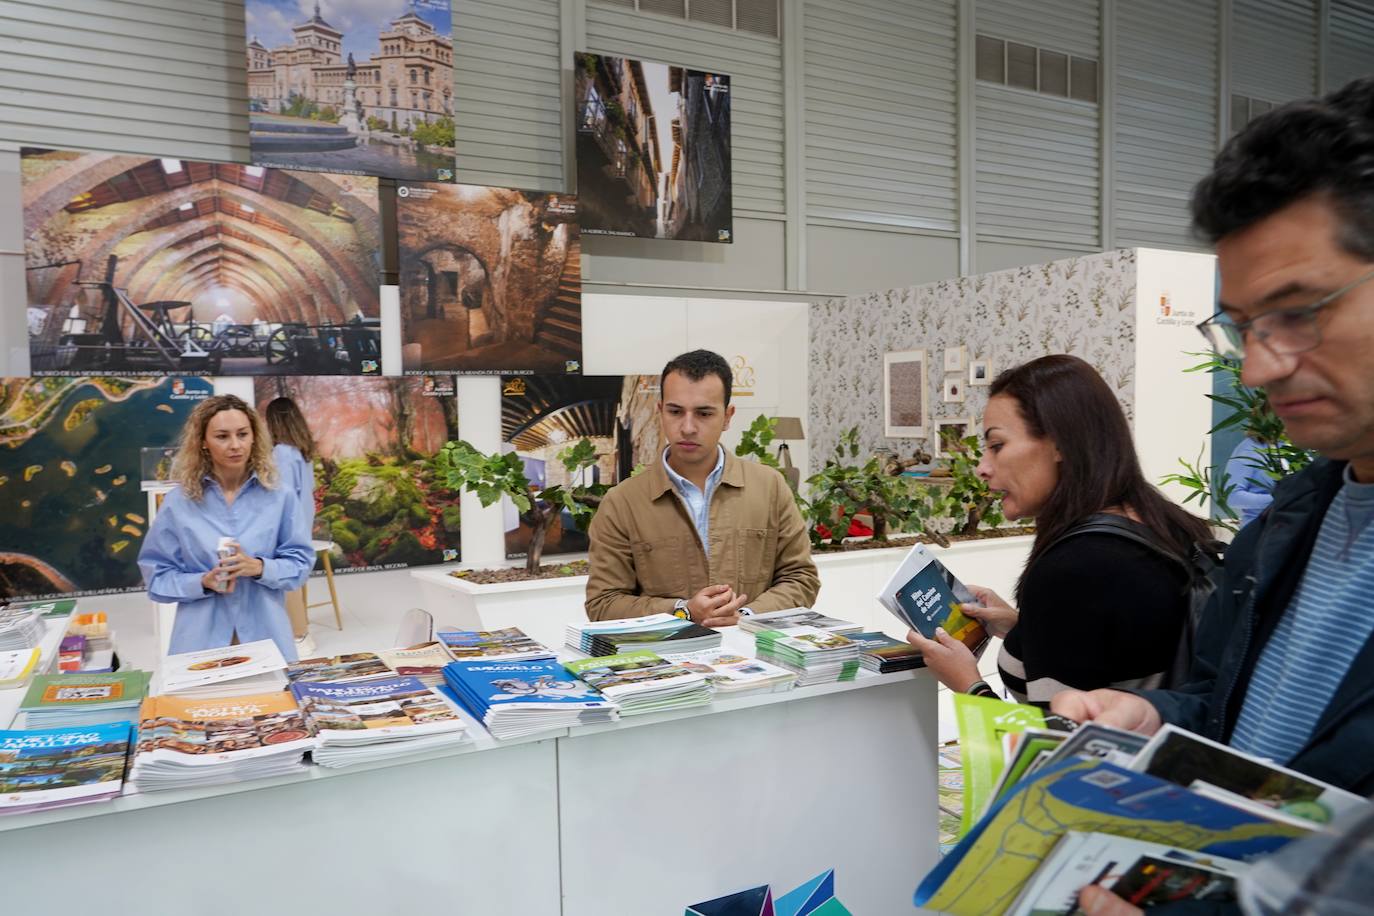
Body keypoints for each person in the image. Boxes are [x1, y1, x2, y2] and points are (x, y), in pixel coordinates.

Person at [1051, 76, 1374, 801]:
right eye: (1244, 326)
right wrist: (1154, 719)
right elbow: (1232, 721)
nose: (1258, 368)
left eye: (1297, 312)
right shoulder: (1288, 524)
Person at [907, 355, 1214, 705]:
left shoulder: (1075, 568)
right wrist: (1024, 625)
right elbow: (1117, 649)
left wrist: (967, 683)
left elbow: (1052, 747)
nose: (983, 468)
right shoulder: (1169, 525)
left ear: (1059, 445)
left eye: (997, 446)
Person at [585, 349, 819, 624]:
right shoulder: (622, 502)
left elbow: (801, 578)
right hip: (666, 660)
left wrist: (745, 615)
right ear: (661, 412)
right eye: (675, 411)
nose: (687, 427)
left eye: (704, 413)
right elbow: (603, 603)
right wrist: (682, 610)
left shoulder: (769, 487)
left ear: (727, 416)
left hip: (756, 655)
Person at [138, 394, 314, 662]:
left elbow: (300, 564)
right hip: (199, 645)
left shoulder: (280, 496)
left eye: (242, 434)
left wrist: (260, 567)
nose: (235, 445)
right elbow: (157, 578)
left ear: (255, 437)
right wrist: (202, 582)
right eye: (222, 436)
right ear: (203, 443)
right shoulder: (178, 503)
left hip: (267, 639)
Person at [264, 396, 318, 652]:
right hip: (304, 520)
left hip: (289, 523)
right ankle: (296, 630)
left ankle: (298, 634)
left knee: (284, 576)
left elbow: (281, 495)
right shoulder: (302, 450)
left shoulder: (282, 452)